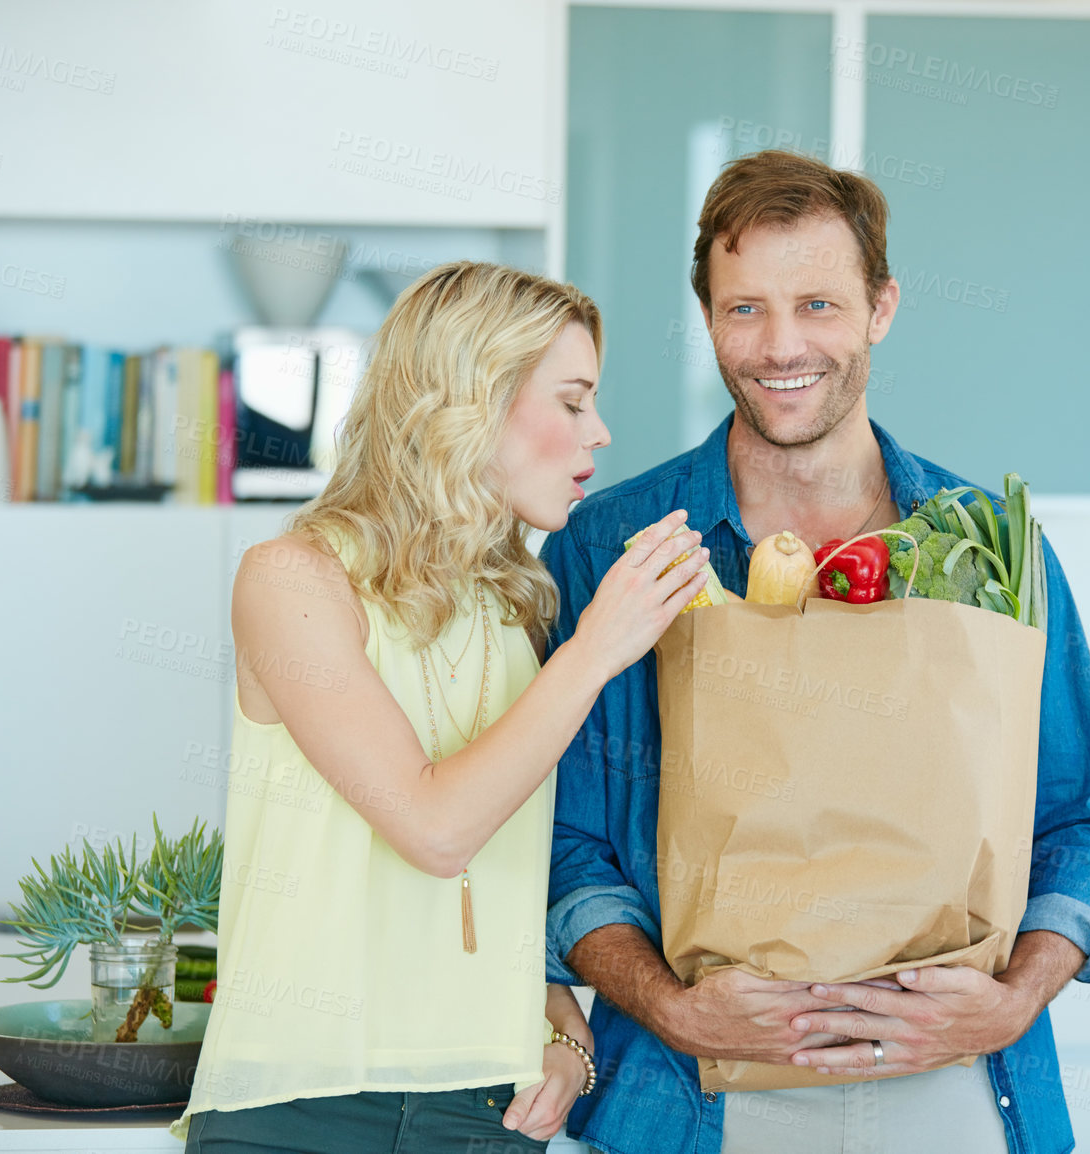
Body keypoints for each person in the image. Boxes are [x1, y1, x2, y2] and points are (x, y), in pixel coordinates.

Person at [540, 150, 1090, 1154]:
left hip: (956, 1083)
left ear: (881, 308)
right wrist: (669, 1005)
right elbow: (564, 837)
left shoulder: (992, 545)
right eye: (744, 310)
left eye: (818, 303)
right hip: (694, 1093)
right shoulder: (611, 543)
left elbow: (1086, 813)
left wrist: (1012, 1000)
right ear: (706, 318)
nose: (781, 345)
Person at [172, 261, 715, 1153]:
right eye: (572, 401)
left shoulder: (521, 610)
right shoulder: (294, 582)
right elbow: (434, 830)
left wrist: (564, 1037)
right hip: (300, 1104)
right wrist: (596, 651)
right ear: (474, 401)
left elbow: (518, 876)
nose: (602, 431)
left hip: (486, 1106)